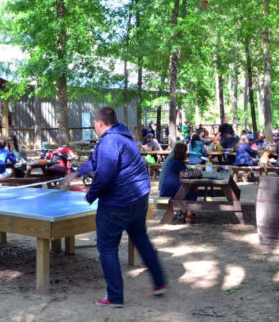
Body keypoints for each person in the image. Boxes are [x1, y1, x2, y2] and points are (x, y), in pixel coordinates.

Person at [62, 107, 165, 307]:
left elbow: (105, 175)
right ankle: (159, 283)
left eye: (94, 124)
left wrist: (90, 196)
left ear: (99, 123)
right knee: (140, 238)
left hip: (119, 202)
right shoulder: (123, 136)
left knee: (107, 247)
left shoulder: (109, 141)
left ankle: (115, 297)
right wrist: (76, 173)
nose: (94, 127)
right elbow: (94, 161)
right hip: (140, 197)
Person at [159, 143, 196, 223]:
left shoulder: (172, 161)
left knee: (189, 190)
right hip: (170, 190)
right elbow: (187, 174)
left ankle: (185, 214)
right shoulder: (178, 163)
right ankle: (189, 217)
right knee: (192, 192)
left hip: (166, 188)